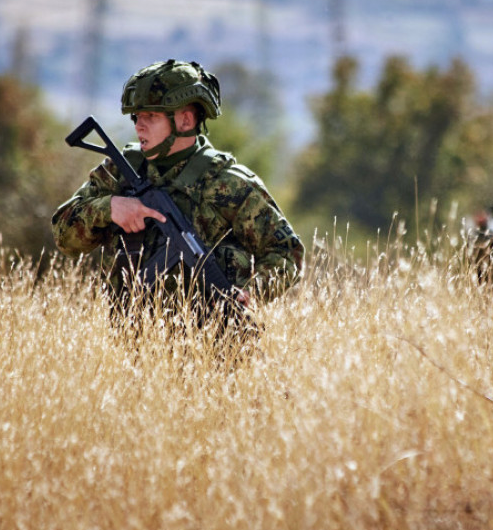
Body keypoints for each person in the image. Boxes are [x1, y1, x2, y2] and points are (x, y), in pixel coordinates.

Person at [52, 59, 304, 351]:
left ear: (185, 120)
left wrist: (253, 291)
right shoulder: (119, 173)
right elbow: (63, 236)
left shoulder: (228, 184)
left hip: (216, 352)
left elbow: (286, 251)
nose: (139, 126)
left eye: (151, 116)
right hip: (135, 351)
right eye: (136, 117)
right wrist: (109, 208)